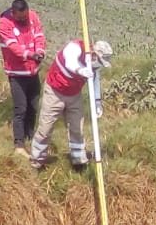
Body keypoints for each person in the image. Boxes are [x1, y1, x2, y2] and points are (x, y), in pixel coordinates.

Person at [29, 39, 113, 172]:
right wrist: (81, 70)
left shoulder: (94, 66)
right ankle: (36, 162)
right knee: (46, 128)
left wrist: (97, 101)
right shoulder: (74, 48)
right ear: (94, 54)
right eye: (99, 61)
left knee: (77, 129)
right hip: (54, 92)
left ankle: (78, 161)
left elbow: (95, 79)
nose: (98, 66)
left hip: (74, 95)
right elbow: (70, 63)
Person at [0, 0, 46, 156]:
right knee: (21, 109)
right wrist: (30, 55)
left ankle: (30, 137)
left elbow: (39, 36)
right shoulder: (4, 24)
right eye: (20, 18)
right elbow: (13, 47)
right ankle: (18, 145)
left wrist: (40, 51)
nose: (24, 20)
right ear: (13, 13)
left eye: (25, 17)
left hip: (33, 72)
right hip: (17, 73)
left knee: (33, 106)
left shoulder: (33, 16)